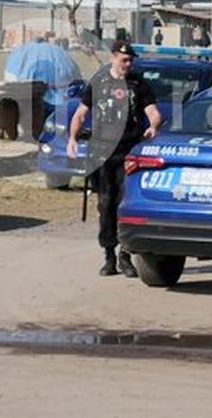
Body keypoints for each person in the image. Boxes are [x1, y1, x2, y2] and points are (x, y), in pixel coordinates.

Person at [66, 40, 162, 277]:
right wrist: (72, 139)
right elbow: (81, 113)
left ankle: (125, 255)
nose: (128, 64)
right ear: (113, 58)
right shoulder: (98, 82)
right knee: (105, 204)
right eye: (124, 60)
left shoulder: (139, 84)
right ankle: (108, 255)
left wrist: (153, 126)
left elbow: (153, 113)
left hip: (128, 152)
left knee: (123, 204)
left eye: (131, 60)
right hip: (102, 154)